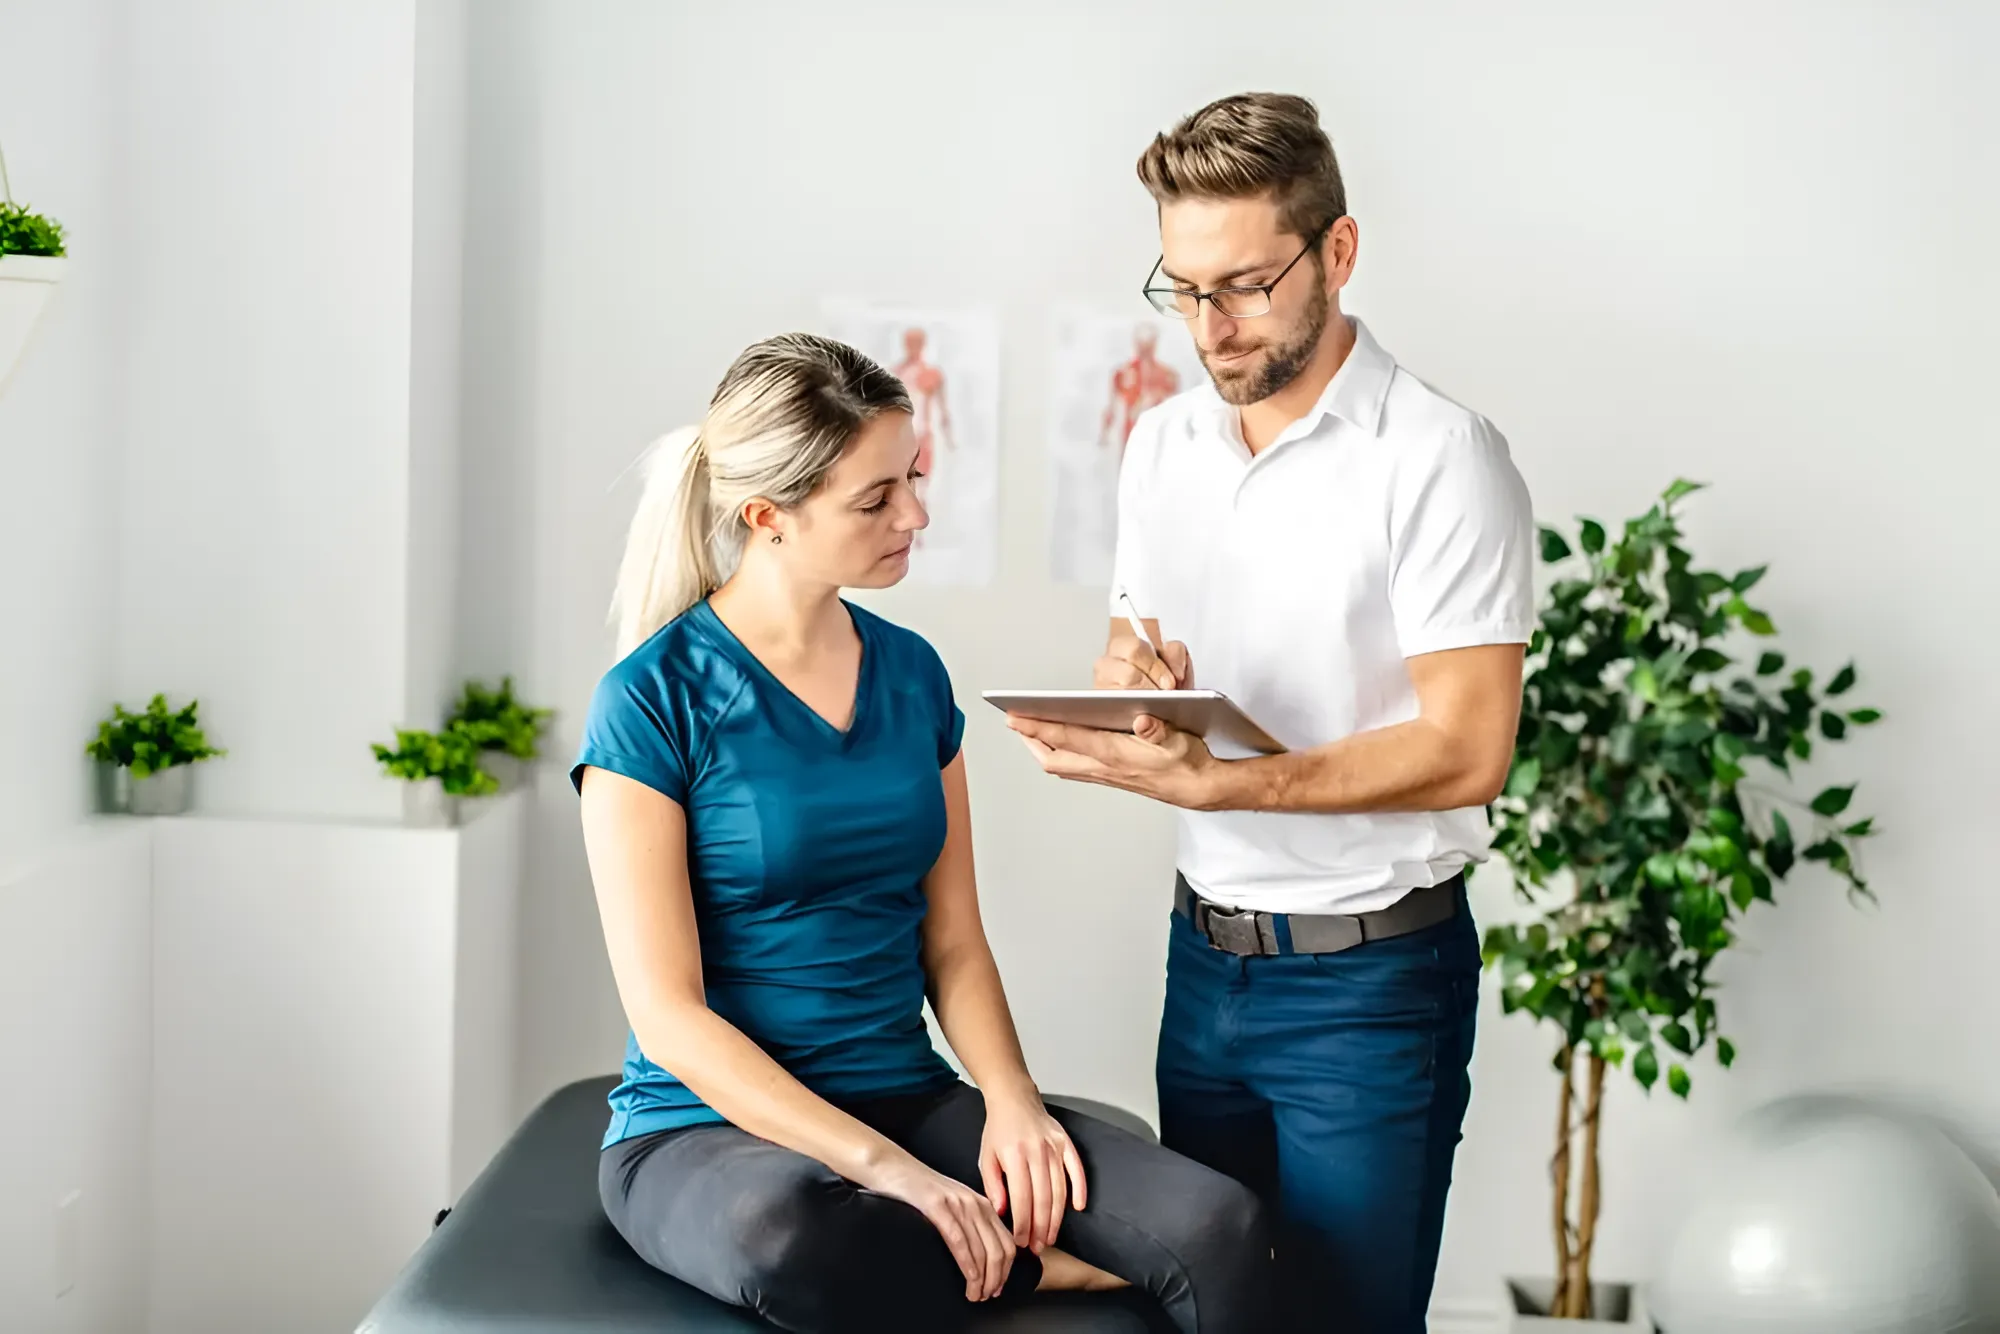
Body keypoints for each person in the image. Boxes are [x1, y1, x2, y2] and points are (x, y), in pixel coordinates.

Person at [572, 332, 1273, 1334]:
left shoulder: (911, 675)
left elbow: (952, 941)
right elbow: (670, 1014)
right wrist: (891, 1170)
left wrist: (1011, 1099)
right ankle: (1042, 1271)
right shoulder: (647, 701)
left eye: (913, 477)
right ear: (767, 515)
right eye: (875, 498)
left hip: (902, 1090)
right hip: (704, 1128)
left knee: (1220, 1224)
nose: (914, 513)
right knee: (796, 1234)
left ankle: (982, 1231)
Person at [1006, 94, 1535, 1331]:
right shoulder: (1161, 443)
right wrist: (1134, 683)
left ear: (1335, 253)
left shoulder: (1441, 456)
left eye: (1242, 285)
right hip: (1204, 967)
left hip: (1369, 981)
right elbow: (1131, 637)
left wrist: (1222, 785)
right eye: (1182, 290)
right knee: (1207, 1309)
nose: (1209, 325)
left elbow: (1468, 748)